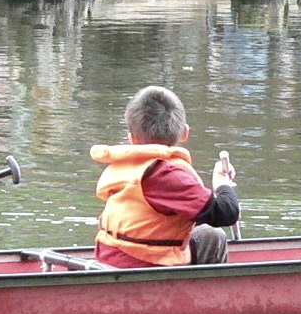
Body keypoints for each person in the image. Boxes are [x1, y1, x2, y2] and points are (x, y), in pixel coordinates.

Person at [90, 85, 239, 268]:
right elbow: (227, 212)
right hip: (144, 263)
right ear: (185, 132)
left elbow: (193, 211)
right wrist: (223, 184)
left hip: (111, 256)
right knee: (215, 235)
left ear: (132, 138)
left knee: (210, 235)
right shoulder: (166, 175)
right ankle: (210, 295)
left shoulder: (128, 167)